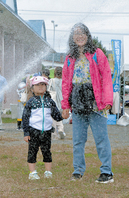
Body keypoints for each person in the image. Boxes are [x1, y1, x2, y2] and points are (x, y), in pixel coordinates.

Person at [61, 23, 114, 183]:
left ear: (87, 35)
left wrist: (107, 101)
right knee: (77, 140)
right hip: (77, 103)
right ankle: (77, 171)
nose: (79, 36)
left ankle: (106, 173)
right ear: (72, 37)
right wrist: (65, 105)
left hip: (96, 103)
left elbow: (106, 77)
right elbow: (65, 83)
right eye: (76, 33)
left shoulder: (97, 54)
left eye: (82, 32)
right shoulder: (70, 57)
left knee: (101, 138)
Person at [22, 76, 63, 180]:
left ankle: (48, 172)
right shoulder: (31, 102)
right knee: (32, 151)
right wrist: (26, 133)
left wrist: (63, 115)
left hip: (47, 131)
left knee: (47, 151)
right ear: (32, 88)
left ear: (46, 87)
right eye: (38, 85)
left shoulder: (50, 102)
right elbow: (25, 118)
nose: (40, 87)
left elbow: (56, 116)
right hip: (33, 131)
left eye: (43, 84)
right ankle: (32, 172)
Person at [48, 66, 66, 140]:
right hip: (61, 100)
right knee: (60, 117)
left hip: (54, 100)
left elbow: (48, 90)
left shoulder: (52, 80)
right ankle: (61, 130)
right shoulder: (64, 81)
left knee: (53, 117)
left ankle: (54, 133)